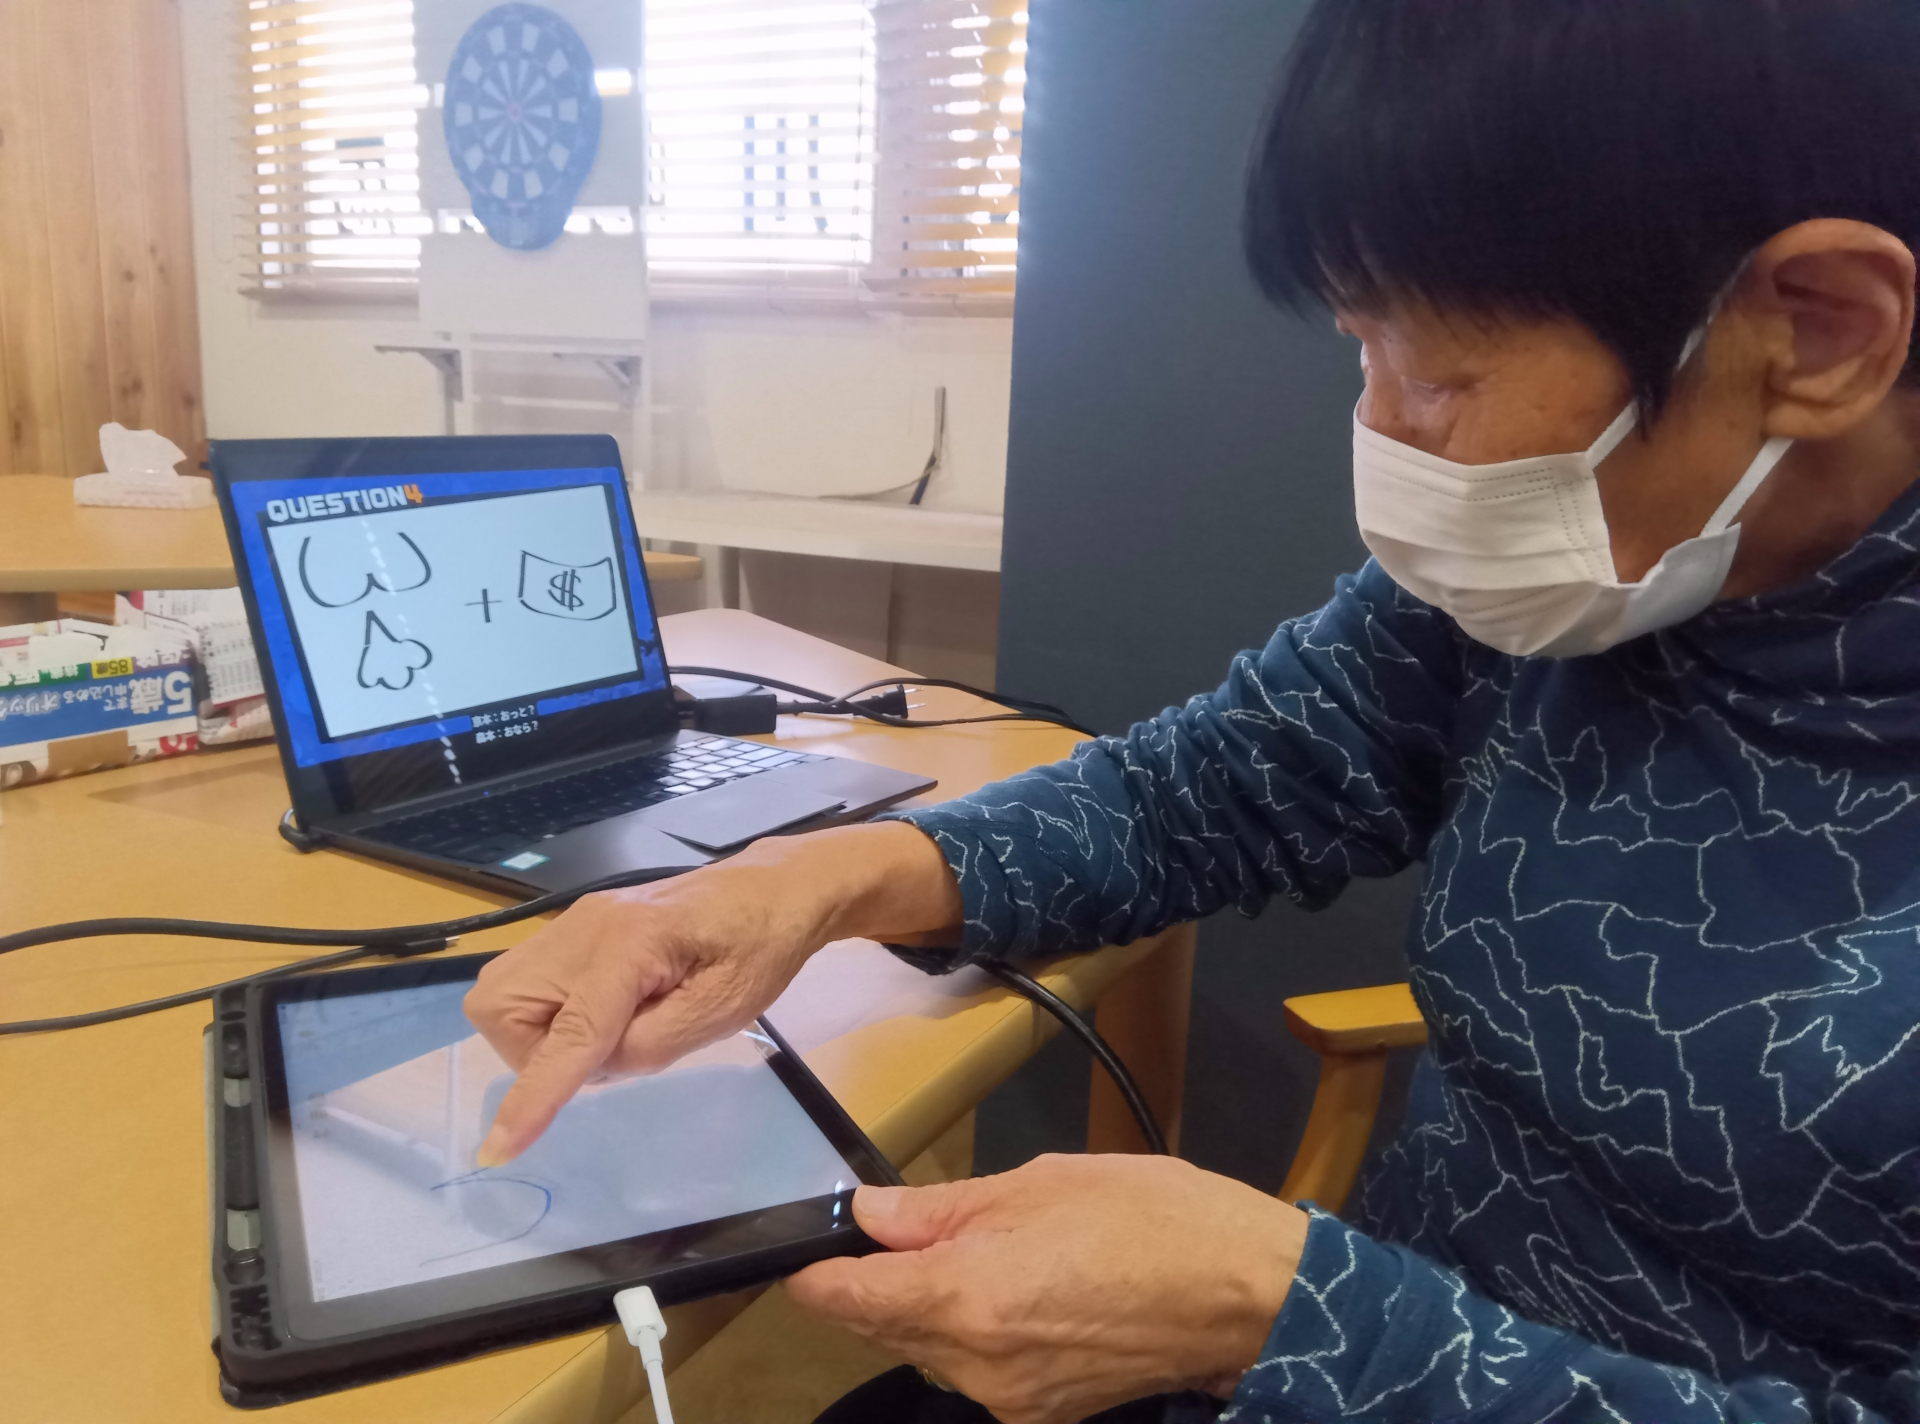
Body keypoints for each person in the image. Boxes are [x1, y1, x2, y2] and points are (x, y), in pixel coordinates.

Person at [464, 2, 1920, 1421]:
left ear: (1820, 330)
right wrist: (809, 883)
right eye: (1362, 348)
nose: (1382, 429)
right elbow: (1213, 783)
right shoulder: (1572, 588)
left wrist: (1277, 1316)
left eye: (1439, 375)